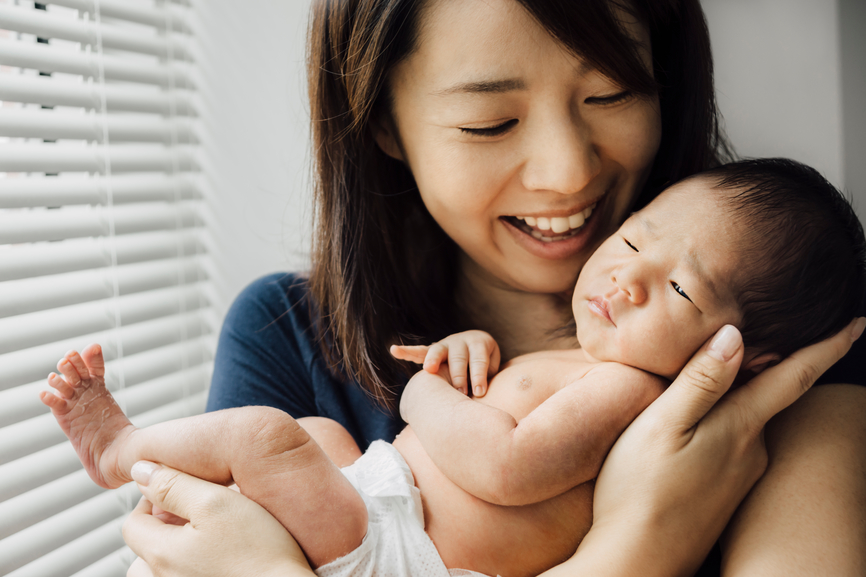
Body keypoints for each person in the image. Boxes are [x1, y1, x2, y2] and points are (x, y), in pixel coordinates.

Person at [119, 0, 866, 575]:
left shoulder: (785, 335)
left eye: (610, 95)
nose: (567, 171)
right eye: (490, 122)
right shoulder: (285, 332)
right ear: (383, 122)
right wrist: (637, 547)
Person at [43, 159, 865, 577]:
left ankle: (122, 447)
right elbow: (508, 418)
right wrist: (473, 360)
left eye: (680, 287)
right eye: (637, 237)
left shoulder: (633, 387)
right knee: (318, 432)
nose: (627, 277)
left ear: (744, 353)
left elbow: (506, 464)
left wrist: (424, 388)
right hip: (385, 500)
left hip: (404, 543)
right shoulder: (282, 326)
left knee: (265, 436)